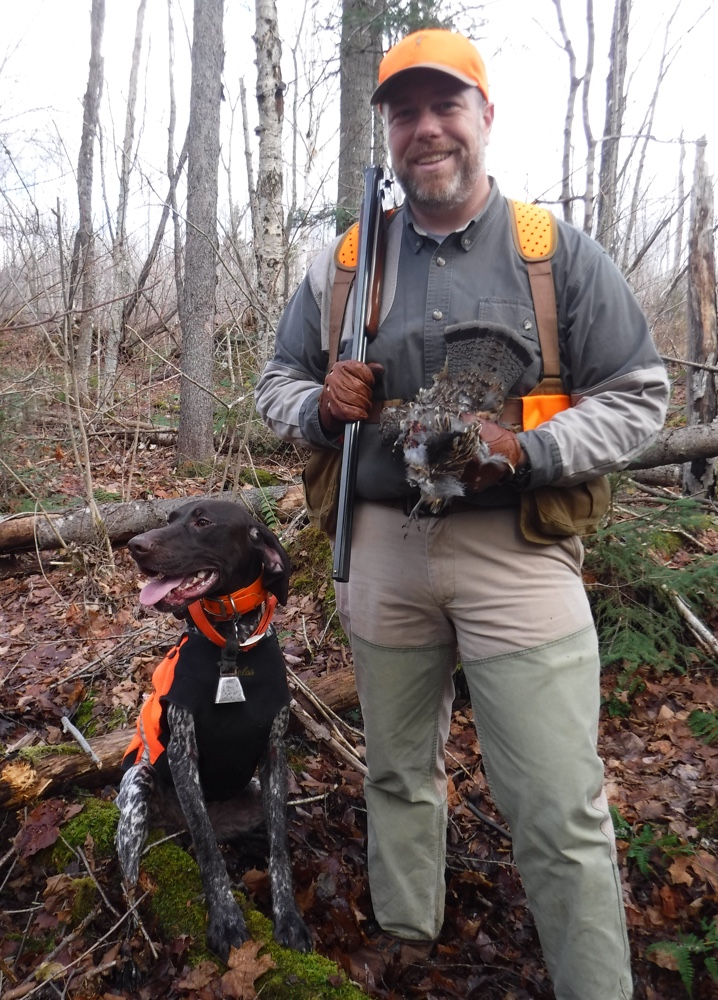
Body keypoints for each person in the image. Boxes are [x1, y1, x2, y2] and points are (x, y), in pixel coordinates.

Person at [255, 28, 669, 1000]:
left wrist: (532, 450)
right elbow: (276, 383)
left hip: (517, 554)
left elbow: (641, 392)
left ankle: (593, 983)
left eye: (447, 107)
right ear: (389, 133)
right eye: (406, 112)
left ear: (486, 118)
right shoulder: (344, 261)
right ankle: (407, 944)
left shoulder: (551, 252)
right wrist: (320, 406)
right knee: (397, 773)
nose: (427, 129)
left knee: (560, 801)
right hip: (383, 553)